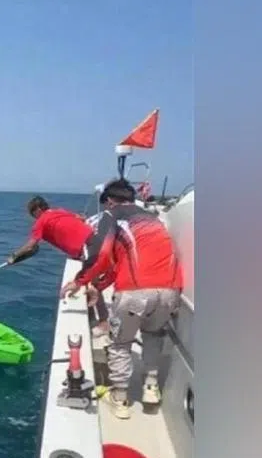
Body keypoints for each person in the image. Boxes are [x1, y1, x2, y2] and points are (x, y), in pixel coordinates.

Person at [59, 179, 183, 417]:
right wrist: (101, 285)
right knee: (153, 335)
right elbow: (123, 260)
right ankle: (150, 387)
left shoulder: (113, 215)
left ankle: (121, 398)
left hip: (135, 291)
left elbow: (102, 253)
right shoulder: (153, 218)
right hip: (170, 290)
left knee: (120, 343)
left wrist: (79, 281)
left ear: (110, 201)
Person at [6, 196, 111, 334]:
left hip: (88, 247)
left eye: (32, 213)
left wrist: (14, 256)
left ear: (37, 210)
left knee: (87, 282)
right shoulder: (59, 211)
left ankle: (103, 324)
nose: (33, 217)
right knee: (87, 282)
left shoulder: (42, 220)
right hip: (96, 243)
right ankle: (96, 320)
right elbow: (81, 217)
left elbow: (30, 245)